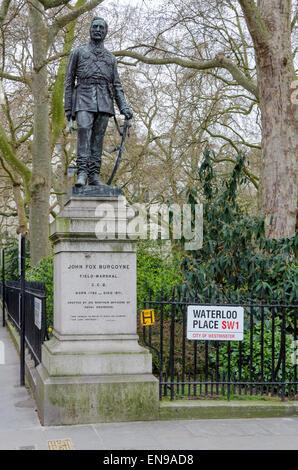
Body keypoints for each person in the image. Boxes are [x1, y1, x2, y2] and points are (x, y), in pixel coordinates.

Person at [64, 17, 133, 187]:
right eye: (94, 26)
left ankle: (94, 175)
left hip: (104, 100)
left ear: (106, 31)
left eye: (101, 27)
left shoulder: (110, 58)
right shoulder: (78, 52)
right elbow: (69, 80)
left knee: (97, 140)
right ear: (90, 29)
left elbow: (117, 85)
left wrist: (123, 106)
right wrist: (68, 109)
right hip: (83, 98)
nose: (98, 29)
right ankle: (82, 173)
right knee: (83, 135)